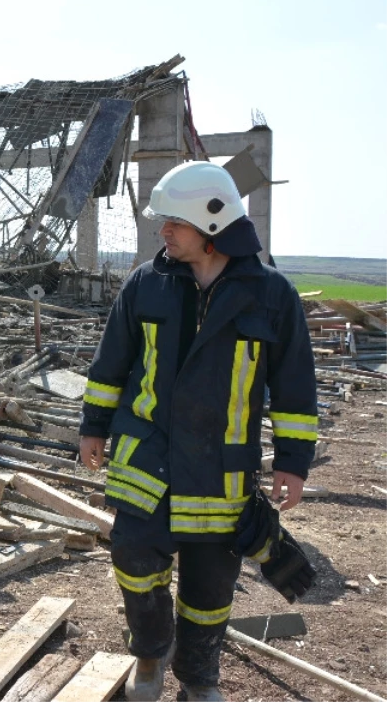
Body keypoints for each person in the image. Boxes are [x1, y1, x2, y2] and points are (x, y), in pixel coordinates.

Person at [78, 162, 317, 702]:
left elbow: (295, 388)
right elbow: (110, 363)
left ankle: (198, 679)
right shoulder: (147, 282)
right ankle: (149, 654)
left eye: (174, 223)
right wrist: (93, 427)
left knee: (210, 589)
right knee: (135, 560)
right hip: (148, 463)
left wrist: (292, 462)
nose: (163, 231)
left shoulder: (272, 296)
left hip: (220, 472)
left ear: (212, 227)